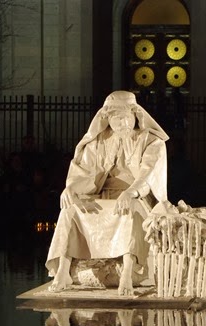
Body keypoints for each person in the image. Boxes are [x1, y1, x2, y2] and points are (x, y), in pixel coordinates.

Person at [46, 90, 169, 293]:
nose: (121, 123)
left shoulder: (151, 141)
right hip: (102, 197)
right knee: (69, 210)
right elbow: (85, 173)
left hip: (136, 197)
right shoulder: (98, 142)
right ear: (107, 118)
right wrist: (71, 188)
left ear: (135, 115)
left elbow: (148, 174)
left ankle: (128, 273)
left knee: (129, 210)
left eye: (125, 118)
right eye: (115, 118)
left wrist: (130, 192)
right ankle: (63, 272)